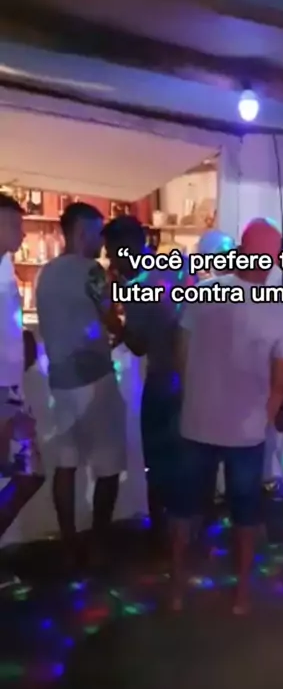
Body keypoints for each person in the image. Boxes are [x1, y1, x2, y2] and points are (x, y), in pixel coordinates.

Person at [168, 218, 283, 614]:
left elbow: (180, 353)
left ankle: (177, 589)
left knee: (184, 510)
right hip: (246, 431)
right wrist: (265, 418)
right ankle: (240, 594)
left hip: (197, 422)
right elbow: (281, 379)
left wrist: (195, 397)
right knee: (245, 515)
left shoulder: (202, 292)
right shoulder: (279, 309)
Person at [36, 202, 127, 569]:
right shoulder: (91, 271)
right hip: (93, 377)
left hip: (60, 382)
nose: (101, 243)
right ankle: (98, 544)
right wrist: (124, 329)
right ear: (80, 232)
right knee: (108, 465)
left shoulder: (46, 273)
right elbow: (110, 316)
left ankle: (69, 543)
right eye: (96, 233)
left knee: (66, 464)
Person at [103, 215, 192, 550]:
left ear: (128, 246)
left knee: (157, 460)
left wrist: (113, 322)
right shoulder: (177, 267)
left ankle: (162, 537)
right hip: (192, 381)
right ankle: (187, 532)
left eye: (112, 252)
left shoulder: (139, 285)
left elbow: (139, 344)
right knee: (185, 460)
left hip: (163, 380)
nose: (111, 260)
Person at [0, 194, 44, 587]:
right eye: (15, 224)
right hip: (3, 395)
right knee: (29, 473)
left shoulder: (5, 269)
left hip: (10, 391)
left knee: (30, 473)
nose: (23, 232)